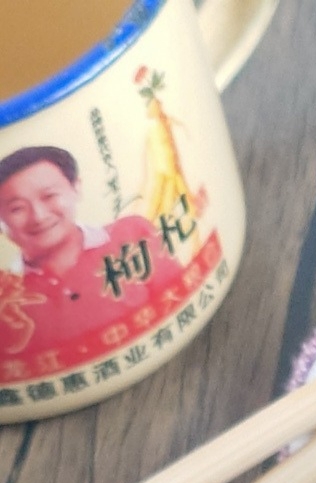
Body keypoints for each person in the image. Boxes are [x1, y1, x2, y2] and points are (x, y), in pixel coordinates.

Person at [0, 144, 184, 360]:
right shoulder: (7, 292)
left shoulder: (130, 235)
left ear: (76, 189)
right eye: (17, 208)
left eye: (49, 196)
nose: (38, 216)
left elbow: (177, 295)